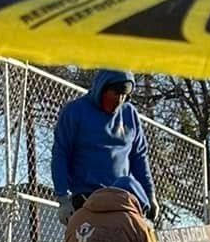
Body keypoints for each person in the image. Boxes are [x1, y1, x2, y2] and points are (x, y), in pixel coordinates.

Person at [51, 70, 159, 222]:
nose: (119, 99)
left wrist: (149, 194)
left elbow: (139, 158)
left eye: (125, 95)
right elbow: (60, 154)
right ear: (102, 88)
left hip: (122, 198)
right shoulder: (76, 112)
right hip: (87, 199)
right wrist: (62, 198)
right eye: (116, 93)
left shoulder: (130, 114)